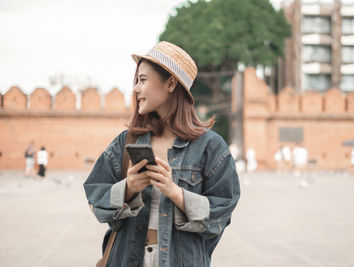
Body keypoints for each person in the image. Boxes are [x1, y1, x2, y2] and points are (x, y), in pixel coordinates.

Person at [83, 41, 240, 267]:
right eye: (136, 81)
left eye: (143, 80)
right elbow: (95, 196)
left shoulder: (211, 147)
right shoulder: (126, 141)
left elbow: (222, 210)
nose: (136, 88)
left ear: (170, 83)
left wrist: (175, 192)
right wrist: (129, 187)